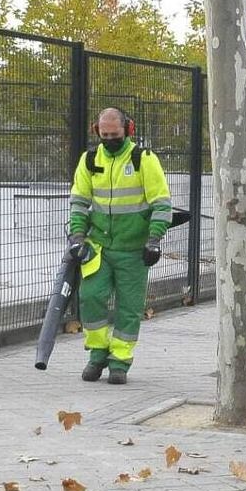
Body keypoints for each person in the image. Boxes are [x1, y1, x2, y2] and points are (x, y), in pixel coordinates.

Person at [67, 107, 173, 384]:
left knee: (129, 307)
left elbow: (161, 204)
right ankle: (97, 354)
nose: (110, 139)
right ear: (97, 132)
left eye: (115, 135)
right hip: (98, 246)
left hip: (133, 249)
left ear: (128, 130)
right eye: (105, 135)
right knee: (90, 297)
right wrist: (77, 236)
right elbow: (79, 201)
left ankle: (120, 361)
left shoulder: (143, 160)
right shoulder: (89, 160)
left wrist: (154, 239)